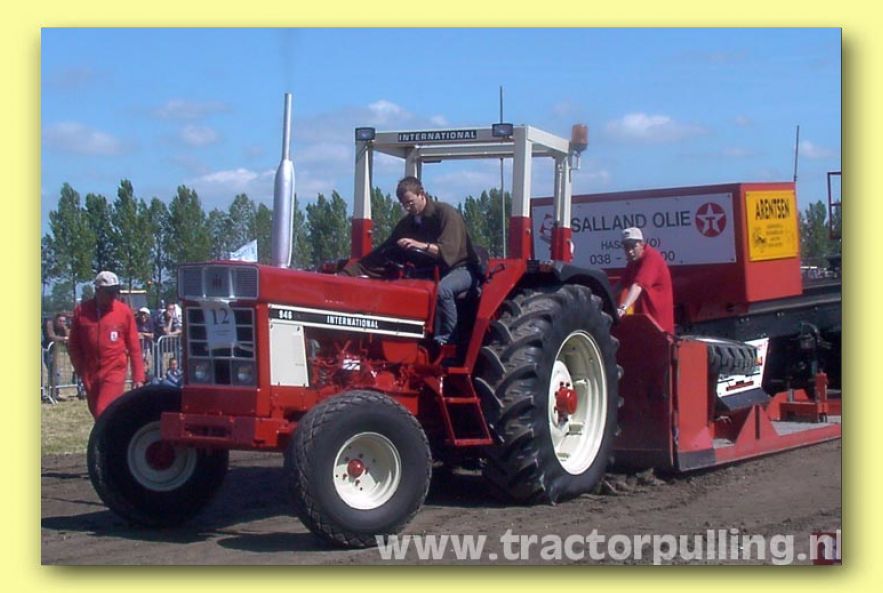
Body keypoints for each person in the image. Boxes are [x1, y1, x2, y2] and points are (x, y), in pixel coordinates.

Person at [341, 176, 479, 347]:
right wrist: (347, 273)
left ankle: (446, 343)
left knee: (443, 290)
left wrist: (418, 245)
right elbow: (382, 253)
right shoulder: (407, 224)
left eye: (410, 203)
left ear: (422, 194)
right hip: (431, 271)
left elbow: (449, 250)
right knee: (399, 287)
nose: (407, 208)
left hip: (461, 269)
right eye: (404, 204)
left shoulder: (446, 214)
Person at [68, 271, 145, 418]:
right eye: (109, 292)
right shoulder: (81, 311)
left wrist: (138, 377)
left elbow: (134, 347)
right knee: (97, 412)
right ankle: (117, 431)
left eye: (115, 291)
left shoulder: (124, 311)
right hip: (90, 371)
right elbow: (74, 344)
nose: (113, 296)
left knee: (102, 410)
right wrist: (80, 368)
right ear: (98, 290)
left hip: (114, 369)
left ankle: (110, 432)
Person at [616, 227, 675, 334]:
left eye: (633, 246)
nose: (630, 251)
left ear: (642, 244)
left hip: (658, 321)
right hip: (645, 319)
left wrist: (623, 308)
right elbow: (620, 285)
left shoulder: (651, 258)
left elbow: (638, 285)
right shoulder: (633, 262)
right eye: (626, 247)